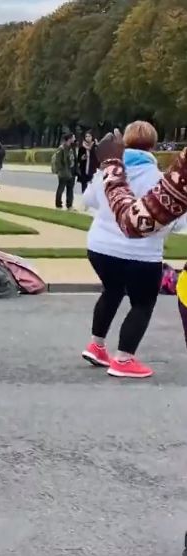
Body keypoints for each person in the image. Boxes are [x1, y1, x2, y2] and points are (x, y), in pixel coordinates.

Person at [80, 121, 184, 379]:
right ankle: (124, 358)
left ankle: (97, 344)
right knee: (142, 303)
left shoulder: (108, 169)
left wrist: (111, 169)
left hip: (101, 247)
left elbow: (89, 200)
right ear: (154, 145)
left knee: (112, 291)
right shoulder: (158, 178)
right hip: (141, 254)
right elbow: (178, 222)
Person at [53, 133, 77, 210]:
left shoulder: (72, 147)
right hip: (63, 172)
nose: (74, 139)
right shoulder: (62, 148)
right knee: (61, 188)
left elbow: (73, 158)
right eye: (73, 137)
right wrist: (61, 170)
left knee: (70, 189)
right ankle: (58, 205)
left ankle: (69, 205)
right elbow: (58, 161)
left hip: (71, 171)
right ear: (69, 139)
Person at [77, 131, 98, 195]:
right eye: (86, 136)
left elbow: (98, 157)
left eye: (89, 136)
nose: (88, 138)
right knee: (84, 185)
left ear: (92, 137)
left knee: (93, 184)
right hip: (84, 169)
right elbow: (78, 159)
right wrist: (81, 158)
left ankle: (91, 199)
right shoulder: (82, 147)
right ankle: (85, 198)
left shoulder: (95, 147)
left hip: (93, 168)